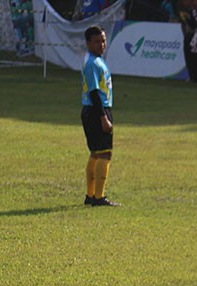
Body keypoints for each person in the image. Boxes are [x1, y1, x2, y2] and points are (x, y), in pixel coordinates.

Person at [82, 25, 119, 207]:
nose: (101, 44)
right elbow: (95, 93)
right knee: (105, 153)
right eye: (97, 41)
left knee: (96, 153)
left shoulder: (95, 59)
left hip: (93, 110)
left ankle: (91, 195)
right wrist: (103, 117)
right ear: (88, 42)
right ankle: (99, 197)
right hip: (97, 109)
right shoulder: (93, 64)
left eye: (103, 40)